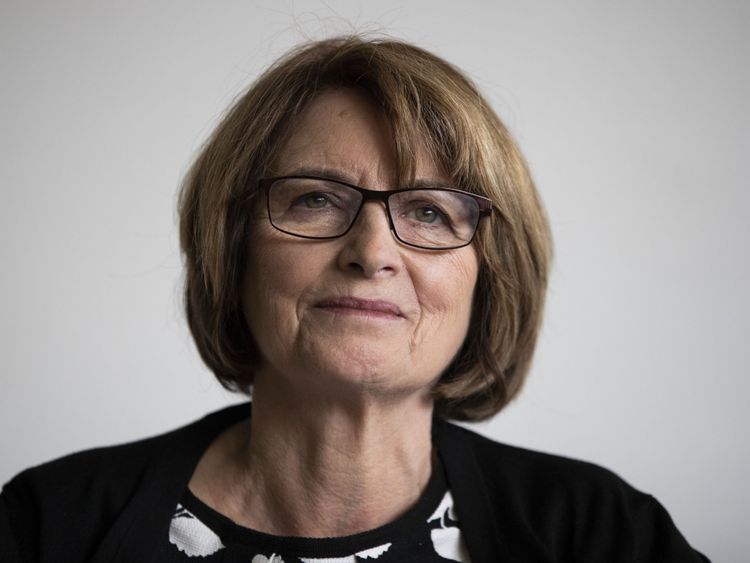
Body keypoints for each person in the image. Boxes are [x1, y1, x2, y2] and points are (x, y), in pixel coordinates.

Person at [0, 36, 709, 562]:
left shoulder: (600, 533)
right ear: (232, 247)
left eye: (430, 212)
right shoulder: (49, 525)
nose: (372, 252)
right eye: (313, 199)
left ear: (489, 273)